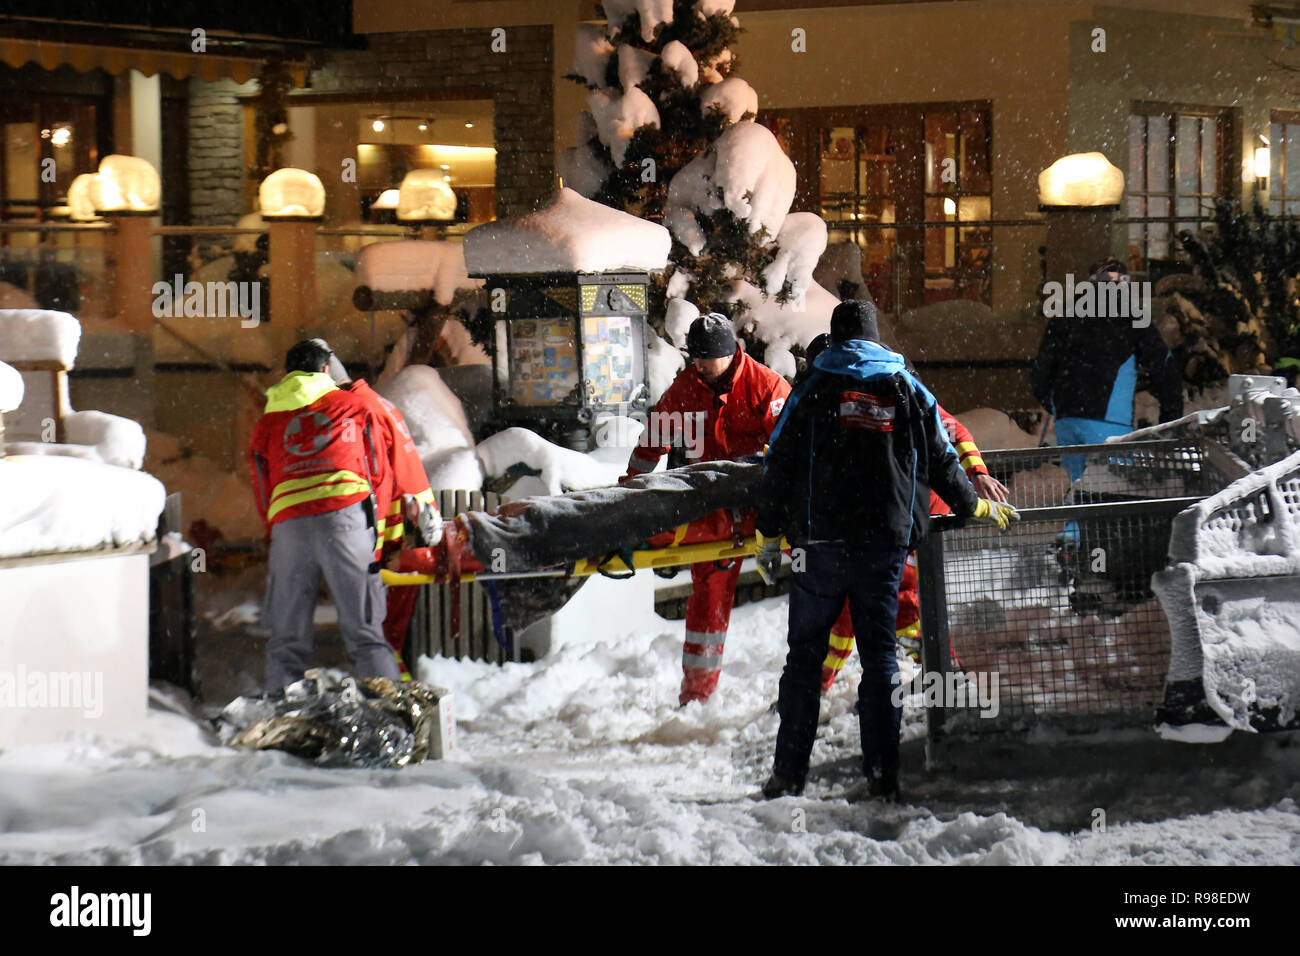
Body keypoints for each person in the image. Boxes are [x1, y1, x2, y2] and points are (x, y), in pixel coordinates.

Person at [755, 301, 1017, 800]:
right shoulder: (906, 387)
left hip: (819, 544)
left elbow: (779, 462)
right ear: (877, 339)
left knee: (803, 662)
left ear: (834, 340)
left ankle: (788, 776)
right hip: (884, 545)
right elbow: (942, 455)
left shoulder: (811, 387)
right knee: (880, 664)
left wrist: (769, 534)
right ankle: (882, 777)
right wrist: (972, 504)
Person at [625, 312, 791, 705]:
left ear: (729, 353)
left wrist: (782, 520)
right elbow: (654, 440)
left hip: (764, 505)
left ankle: (808, 686)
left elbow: (792, 452)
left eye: (704, 359)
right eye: (693, 358)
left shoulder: (766, 387)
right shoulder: (688, 386)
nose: (698, 365)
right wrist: (632, 494)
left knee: (819, 582)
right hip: (715, 510)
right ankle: (696, 696)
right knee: (708, 603)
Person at [249, 339, 402, 690]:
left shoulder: (269, 420)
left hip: (289, 523)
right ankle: (388, 713)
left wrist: (277, 528)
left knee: (286, 636)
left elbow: (262, 484)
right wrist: (374, 530)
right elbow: (378, 470)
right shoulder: (353, 405)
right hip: (345, 516)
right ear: (325, 370)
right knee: (364, 631)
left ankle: (284, 712)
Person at [311, 340, 443, 679]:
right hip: (412, 526)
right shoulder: (375, 403)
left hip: (400, 536)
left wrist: (367, 549)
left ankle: (395, 707)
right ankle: (396, 697)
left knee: (381, 636)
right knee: (387, 634)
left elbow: (376, 484)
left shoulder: (357, 414)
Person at [1031, 255, 1183, 480]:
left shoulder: (1065, 314)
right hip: (1111, 424)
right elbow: (1165, 371)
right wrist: (1170, 422)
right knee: (1112, 496)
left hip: (1067, 421)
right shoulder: (1132, 317)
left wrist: (1056, 405)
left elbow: (1040, 371)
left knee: (1081, 495)